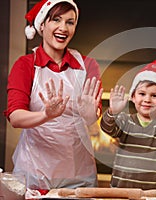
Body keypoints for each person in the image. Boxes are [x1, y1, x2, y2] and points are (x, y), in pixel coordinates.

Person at [4, 0, 103, 190]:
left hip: (78, 174)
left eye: (70, 22)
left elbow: (91, 117)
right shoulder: (25, 65)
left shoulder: (88, 65)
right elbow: (15, 117)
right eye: (56, 20)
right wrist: (45, 115)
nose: (63, 28)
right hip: (34, 173)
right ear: (42, 24)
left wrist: (90, 114)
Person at [100, 60, 156, 192]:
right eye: (142, 94)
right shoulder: (125, 121)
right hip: (122, 191)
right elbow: (107, 127)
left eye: (154, 96)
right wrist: (112, 112)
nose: (147, 100)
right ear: (133, 96)